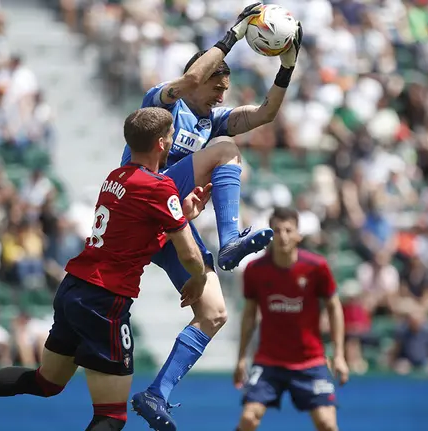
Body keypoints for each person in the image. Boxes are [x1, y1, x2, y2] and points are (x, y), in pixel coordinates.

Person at [0, 107, 211, 431]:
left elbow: (132, 236)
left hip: (74, 288)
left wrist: (180, 216)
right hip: (104, 301)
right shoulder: (159, 186)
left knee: (47, 382)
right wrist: (198, 279)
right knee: (111, 416)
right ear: (162, 144)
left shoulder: (115, 178)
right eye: (169, 137)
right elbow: (191, 256)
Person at [127, 5, 304, 428]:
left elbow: (265, 113)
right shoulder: (162, 101)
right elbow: (189, 80)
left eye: (225, 90)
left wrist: (287, 66)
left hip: (170, 224)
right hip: (140, 202)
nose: (221, 96)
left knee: (215, 313)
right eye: (215, 88)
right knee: (226, 152)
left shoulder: (214, 120)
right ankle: (229, 241)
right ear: (198, 78)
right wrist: (235, 34)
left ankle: (157, 394)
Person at [232, 207, 349, 431]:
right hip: (269, 361)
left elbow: (334, 307)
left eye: (288, 230)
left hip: (310, 361)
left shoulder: (316, 267)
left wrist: (340, 356)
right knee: (248, 418)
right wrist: (241, 359)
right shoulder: (255, 270)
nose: (283, 236)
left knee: (327, 423)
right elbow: (249, 314)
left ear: (299, 235)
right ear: (269, 235)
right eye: (276, 230)